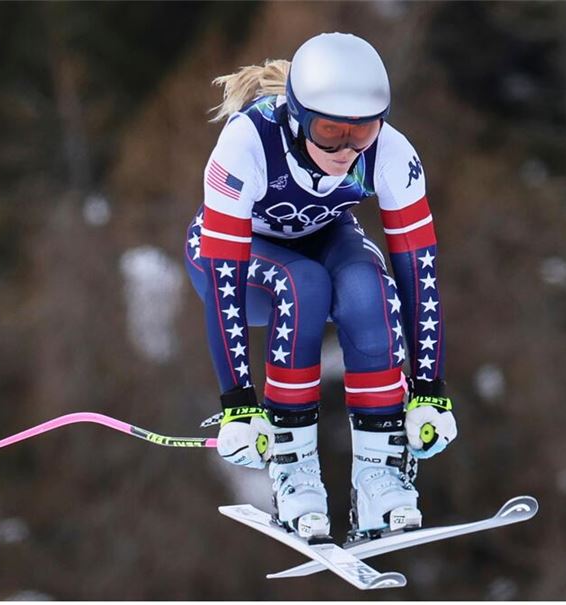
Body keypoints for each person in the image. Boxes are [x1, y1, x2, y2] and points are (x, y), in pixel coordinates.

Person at [184, 32, 457, 541]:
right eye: (330, 132)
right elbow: (225, 278)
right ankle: (294, 471)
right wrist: (239, 403)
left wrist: (429, 392)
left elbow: (419, 273)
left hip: (323, 236)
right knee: (303, 284)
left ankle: (381, 476)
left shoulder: (392, 153)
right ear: (297, 118)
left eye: (363, 132)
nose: (346, 150)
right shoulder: (247, 144)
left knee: (366, 287)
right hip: (237, 262)